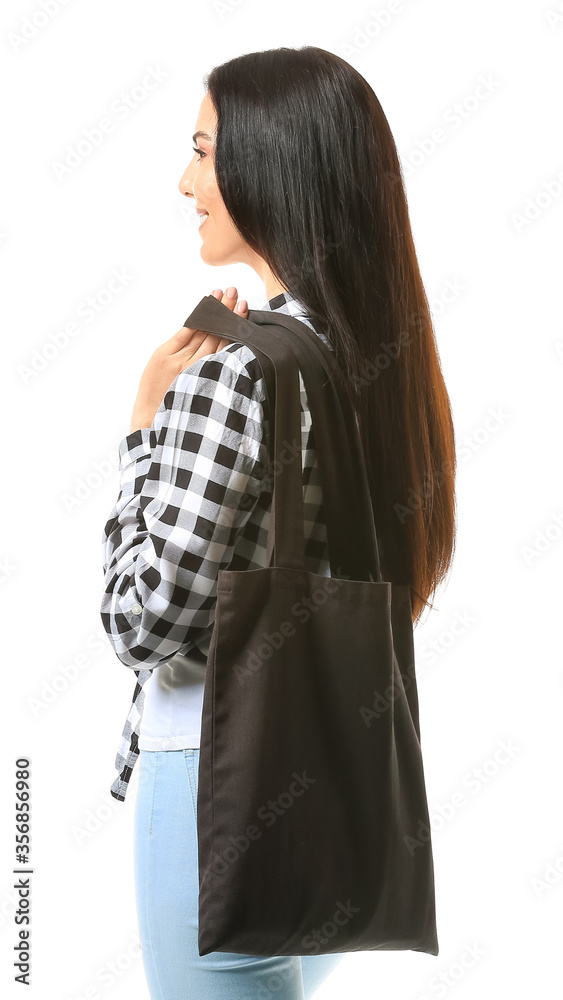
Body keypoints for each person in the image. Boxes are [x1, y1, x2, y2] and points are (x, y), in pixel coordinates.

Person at [100, 45, 456, 1000]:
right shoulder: (363, 357)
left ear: (271, 164)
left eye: (204, 151)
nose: (186, 181)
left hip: (215, 782)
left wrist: (145, 423)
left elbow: (143, 623)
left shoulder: (240, 369)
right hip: (330, 790)